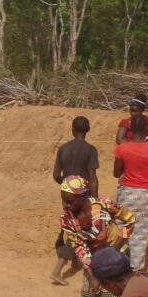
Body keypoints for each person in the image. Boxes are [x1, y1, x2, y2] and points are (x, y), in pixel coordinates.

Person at [59, 176, 136, 297]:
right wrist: (92, 274)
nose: (66, 206)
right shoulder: (66, 219)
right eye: (64, 200)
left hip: (118, 261)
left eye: (70, 201)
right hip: (93, 263)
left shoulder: (104, 205)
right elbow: (78, 246)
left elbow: (130, 219)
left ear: (82, 196)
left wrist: (115, 249)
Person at [50, 116, 99, 285]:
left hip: (66, 195)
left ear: (72, 130)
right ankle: (58, 270)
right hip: (82, 197)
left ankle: (77, 260)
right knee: (77, 231)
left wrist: (66, 184)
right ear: (87, 131)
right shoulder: (90, 150)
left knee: (72, 228)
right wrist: (94, 198)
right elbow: (92, 177)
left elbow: (56, 175)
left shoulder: (63, 149)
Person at [113, 114, 148, 271]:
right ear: (146, 128)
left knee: (123, 229)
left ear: (129, 128)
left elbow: (116, 173)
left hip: (126, 193)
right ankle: (136, 269)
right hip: (146, 195)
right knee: (141, 233)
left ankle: (120, 265)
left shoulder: (122, 149)